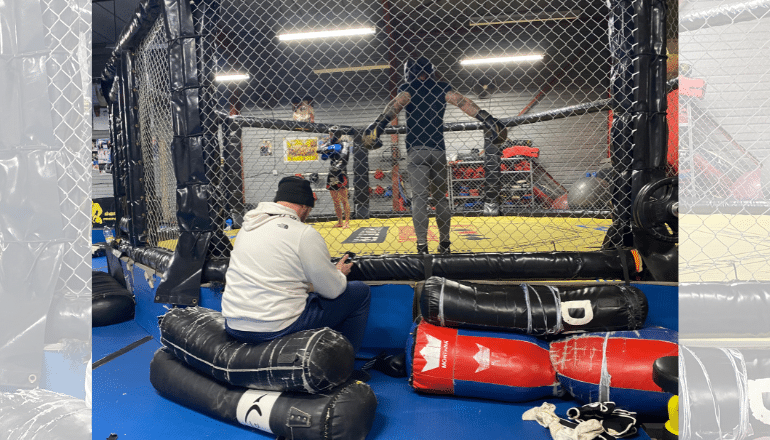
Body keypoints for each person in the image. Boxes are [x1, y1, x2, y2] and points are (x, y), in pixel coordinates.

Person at [363, 56, 507, 254]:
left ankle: (422, 247)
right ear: (430, 71)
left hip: (417, 151)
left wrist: (378, 125)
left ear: (409, 72)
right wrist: (487, 118)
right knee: (441, 199)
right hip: (438, 151)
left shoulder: (409, 90)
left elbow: (395, 105)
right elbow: (462, 101)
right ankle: (445, 244)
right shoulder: (440, 88)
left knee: (420, 199)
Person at [221, 176, 371, 353]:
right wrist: (338, 273)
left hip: (234, 324)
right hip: (275, 327)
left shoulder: (247, 228)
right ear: (305, 207)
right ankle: (346, 365)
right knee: (359, 292)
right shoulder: (303, 233)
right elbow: (332, 291)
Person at [317, 126, 351, 228]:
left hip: (341, 172)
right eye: (329, 134)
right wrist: (331, 148)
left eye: (331, 134)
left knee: (344, 200)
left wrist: (331, 150)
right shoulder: (330, 143)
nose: (330, 136)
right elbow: (319, 150)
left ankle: (347, 222)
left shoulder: (345, 143)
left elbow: (345, 158)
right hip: (332, 172)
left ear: (337, 134)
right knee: (335, 201)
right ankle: (340, 221)